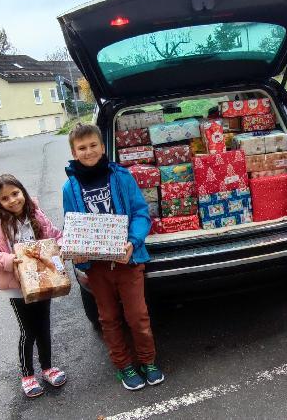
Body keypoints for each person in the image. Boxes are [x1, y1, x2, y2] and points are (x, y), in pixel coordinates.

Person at [62, 123, 164, 391]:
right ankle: (123, 365)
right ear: (74, 152)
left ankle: (148, 360)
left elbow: (141, 213)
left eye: (93, 145)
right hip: (96, 267)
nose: (88, 151)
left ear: (103, 146)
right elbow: (71, 225)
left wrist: (133, 242)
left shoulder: (122, 177)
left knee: (137, 315)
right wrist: (74, 250)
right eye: (81, 148)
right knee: (108, 318)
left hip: (127, 261)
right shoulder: (68, 189)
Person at [0, 174, 66, 398]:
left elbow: (55, 236)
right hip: (16, 286)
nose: (13, 200)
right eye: (5, 198)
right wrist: (7, 260)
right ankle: (27, 375)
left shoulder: (35, 213)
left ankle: (47, 368)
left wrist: (60, 248)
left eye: (15, 193)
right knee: (28, 330)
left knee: (43, 326)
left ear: (22, 191)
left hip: (42, 280)